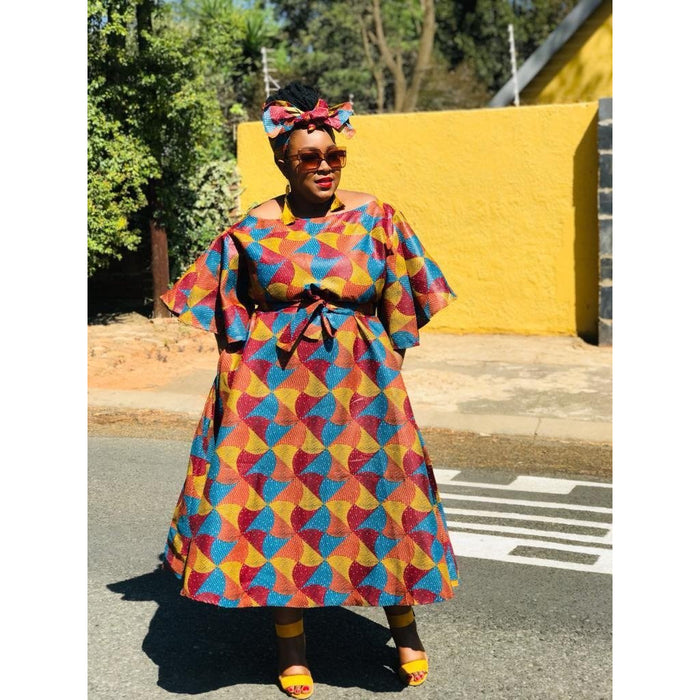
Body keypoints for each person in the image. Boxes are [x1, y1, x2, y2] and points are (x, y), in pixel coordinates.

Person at [160, 82, 459, 699]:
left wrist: (385, 371)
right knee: (282, 508)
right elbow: (221, 314)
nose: (325, 166)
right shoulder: (249, 230)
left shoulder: (376, 217)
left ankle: (405, 629)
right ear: (282, 160)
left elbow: (405, 302)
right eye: (309, 157)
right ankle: (291, 647)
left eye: (334, 154)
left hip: (361, 387)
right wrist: (234, 399)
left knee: (381, 500)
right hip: (274, 392)